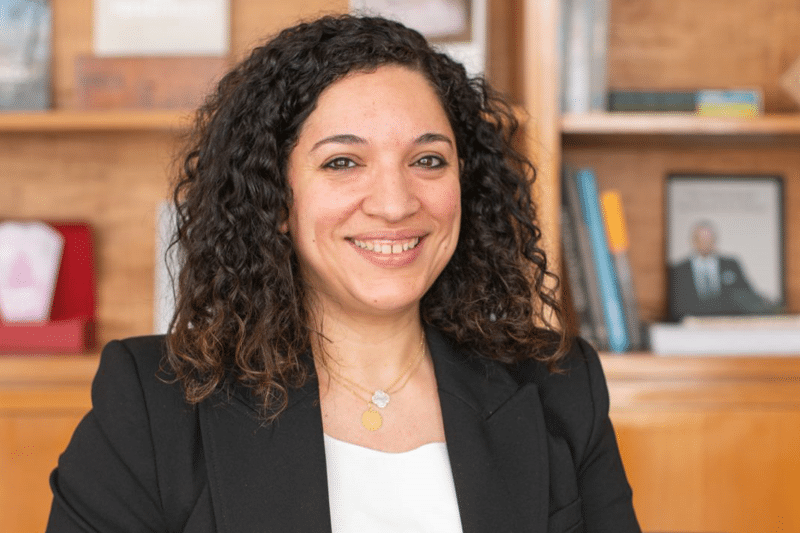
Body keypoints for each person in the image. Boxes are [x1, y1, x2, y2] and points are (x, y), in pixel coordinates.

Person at [46, 14, 641, 532]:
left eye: (427, 159)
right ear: (276, 199)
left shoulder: (561, 388)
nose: (395, 203)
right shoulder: (154, 406)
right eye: (343, 162)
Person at [669, 221, 773, 321]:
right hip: (692, 325)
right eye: (700, 239)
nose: (705, 243)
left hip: (727, 323)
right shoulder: (680, 270)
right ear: (693, 241)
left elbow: (745, 294)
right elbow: (678, 305)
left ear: (714, 240)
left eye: (708, 239)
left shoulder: (731, 265)